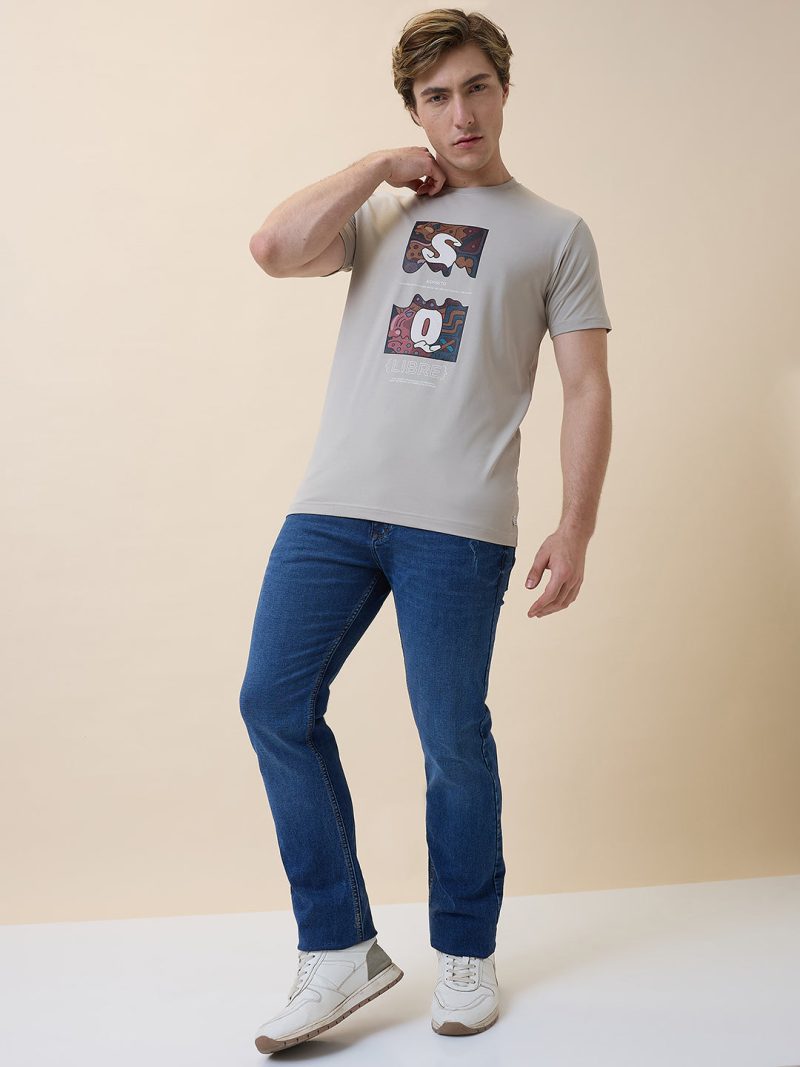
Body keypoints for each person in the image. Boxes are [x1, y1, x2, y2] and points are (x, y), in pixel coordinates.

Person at [239, 6, 612, 1053]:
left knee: (451, 736)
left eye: (475, 86)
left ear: (504, 89)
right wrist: (374, 167)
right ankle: (338, 948)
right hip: (332, 509)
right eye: (436, 96)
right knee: (271, 701)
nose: (461, 112)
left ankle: (465, 948)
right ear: (414, 111)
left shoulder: (555, 233)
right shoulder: (375, 217)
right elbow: (270, 248)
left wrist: (575, 525)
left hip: (458, 524)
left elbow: (586, 387)